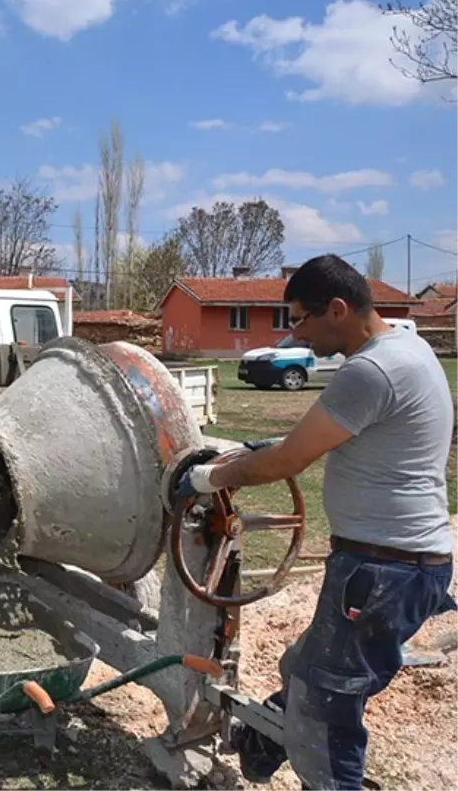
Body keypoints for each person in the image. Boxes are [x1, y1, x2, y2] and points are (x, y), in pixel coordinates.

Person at [177, 254, 457, 791]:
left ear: (337, 309)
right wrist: (255, 451)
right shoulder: (408, 349)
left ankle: (316, 768)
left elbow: (287, 463)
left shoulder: (369, 370)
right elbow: (322, 440)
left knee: (322, 716)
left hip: (378, 571)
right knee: (301, 667)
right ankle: (265, 742)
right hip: (409, 566)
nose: (292, 333)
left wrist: (204, 481)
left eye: (299, 318)